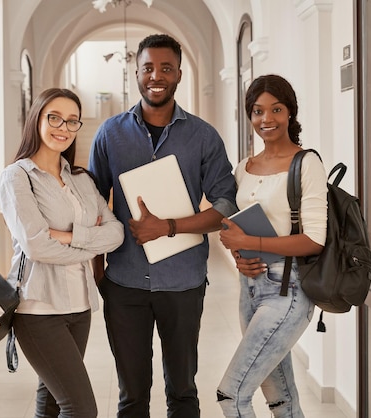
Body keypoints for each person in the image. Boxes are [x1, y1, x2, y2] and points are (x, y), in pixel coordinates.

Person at [88, 33, 237, 417]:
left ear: (179, 74)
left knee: (183, 392)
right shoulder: (109, 134)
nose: (157, 75)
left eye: (166, 68)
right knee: (132, 397)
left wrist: (168, 226)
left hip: (183, 283)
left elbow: (224, 204)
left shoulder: (204, 136)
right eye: (148, 68)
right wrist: (99, 272)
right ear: (135, 73)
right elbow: (91, 205)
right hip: (124, 284)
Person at [0, 88, 124, 418]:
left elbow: (116, 233)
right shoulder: (17, 177)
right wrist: (86, 244)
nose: (63, 127)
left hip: (80, 305)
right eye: (54, 117)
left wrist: (68, 236)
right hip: (38, 309)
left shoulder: (81, 179)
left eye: (72, 121)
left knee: (52, 399)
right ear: (36, 119)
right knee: (80, 408)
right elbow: (37, 245)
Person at [216, 74, 328, 417]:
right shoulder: (243, 168)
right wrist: (239, 256)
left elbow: (313, 240)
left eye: (276, 109)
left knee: (231, 395)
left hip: (288, 291)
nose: (267, 119)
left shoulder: (306, 163)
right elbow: (234, 226)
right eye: (258, 111)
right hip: (249, 290)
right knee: (281, 398)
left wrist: (247, 241)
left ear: (290, 113)